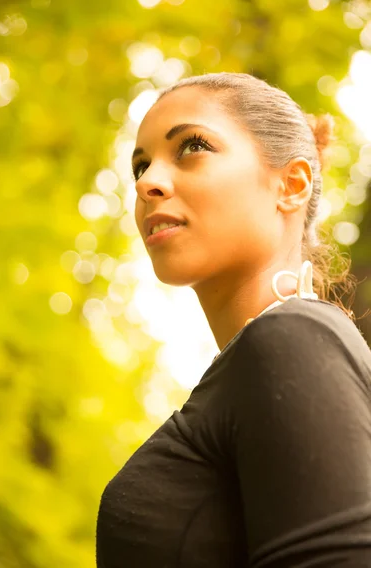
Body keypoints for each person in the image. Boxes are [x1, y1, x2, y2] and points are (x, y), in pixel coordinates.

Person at [96, 72, 371, 567]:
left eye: (192, 146)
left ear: (292, 185)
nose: (147, 182)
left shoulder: (294, 340)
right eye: (140, 166)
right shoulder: (263, 361)